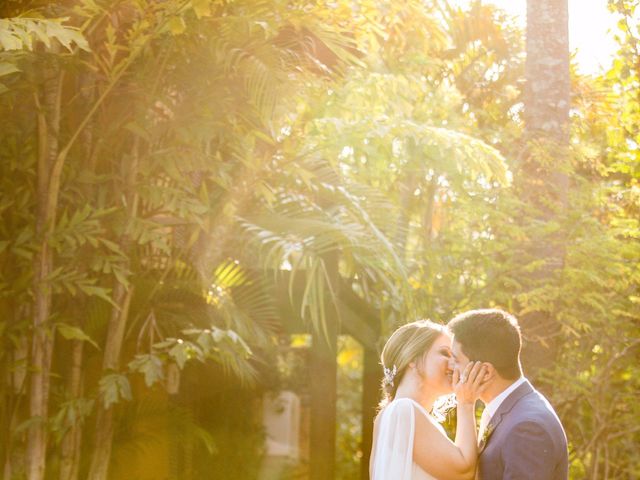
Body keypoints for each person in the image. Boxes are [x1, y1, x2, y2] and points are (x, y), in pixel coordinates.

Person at [448, 308, 568, 480]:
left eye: (456, 360)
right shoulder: (510, 410)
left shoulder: (527, 428)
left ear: (486, 372)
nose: (450, 367)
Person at [370, 320, 487, 480]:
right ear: (412, 357)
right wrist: (466, 403)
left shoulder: (386, 416)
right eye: (445, 353)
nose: (454, 364)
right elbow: (464, 472)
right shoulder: (405, 410)